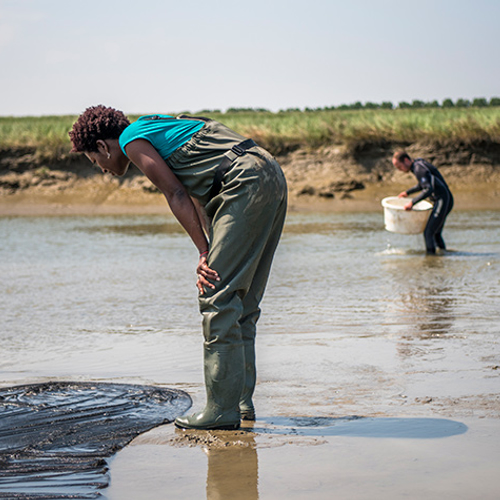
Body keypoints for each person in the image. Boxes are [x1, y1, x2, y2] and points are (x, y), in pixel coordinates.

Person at [69, 105, 287, 430]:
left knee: (217, 297)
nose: (100, 168)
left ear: (102, 146)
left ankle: (220, 410)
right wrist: (209, 248)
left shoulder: (131, 138)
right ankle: (240, 403)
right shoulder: (163, 127)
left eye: (94, 161)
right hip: (268, 172)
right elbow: (203, 192)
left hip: (242, 180)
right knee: (242, 303)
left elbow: (175, 192)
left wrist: (203, 252)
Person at [392, 151, 453, 254]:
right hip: (445, 198)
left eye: (399, 166)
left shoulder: (419, 168)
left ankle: (430, 259)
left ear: (406, 160)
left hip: (442, 200)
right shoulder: (418, 165)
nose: (400, 170)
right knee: (436, 233)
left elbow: (428, 189)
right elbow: (423, 185)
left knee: (428, 232)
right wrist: (407, 192)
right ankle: (443, 255)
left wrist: (412, 203)